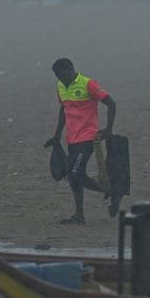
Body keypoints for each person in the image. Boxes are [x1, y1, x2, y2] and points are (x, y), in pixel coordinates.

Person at [46, 58, 117, 225]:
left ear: (71, 69)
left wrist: (108, 129)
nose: (61, 79)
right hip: (72, 138)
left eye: (63, 75)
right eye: (58, 77)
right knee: (77, 176)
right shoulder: (60, 87)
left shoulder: (88, 84)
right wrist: (57, 135)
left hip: (88, 138)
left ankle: (80, 214)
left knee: (73, 174)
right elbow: (64, 110)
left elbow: (111, 103)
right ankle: (108, 192)